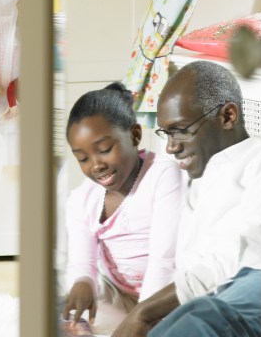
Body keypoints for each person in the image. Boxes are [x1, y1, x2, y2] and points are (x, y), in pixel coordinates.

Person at [112, 61, 261, 337]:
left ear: (227, 116)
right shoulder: (195, 181)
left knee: (200, 317)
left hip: (258, 282)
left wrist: (145, 311)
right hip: (207, 299)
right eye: (166, 133)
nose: (171, 146)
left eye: (180, 130)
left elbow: (236, 255)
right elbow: (182, 267)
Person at [62, 82, 183, 328]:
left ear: (135, 135)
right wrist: (82, 282)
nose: (96, 165)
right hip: (117, 291)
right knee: (67, 305)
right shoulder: (80, 199)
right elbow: (82, 261)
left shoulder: (162, 176)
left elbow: (164, 259)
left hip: (166, 292)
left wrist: (143, 316)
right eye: (83, 158)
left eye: (105, 149)